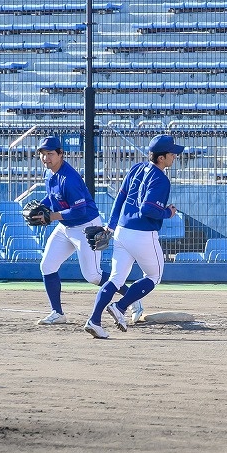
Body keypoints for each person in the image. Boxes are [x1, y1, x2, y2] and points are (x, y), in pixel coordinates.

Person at [32, 136, 142, 326]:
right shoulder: (49, 173)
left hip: (86, 227)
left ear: (60, 154)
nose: (46, 158)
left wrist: (51, 216)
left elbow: (79, 211)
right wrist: (40, 208)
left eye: (50, 153)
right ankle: (57, 313)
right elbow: (52, 197)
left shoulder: (70, 179)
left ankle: (132, 298)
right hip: (65, 226)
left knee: (93, 275)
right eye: (43, 154)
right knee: (47, 266)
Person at [84, 134, 184, 339]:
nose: (175, 156)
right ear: (161, 158)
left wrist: (111, 226)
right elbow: (147, 209)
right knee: (153, 276)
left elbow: (120, 197)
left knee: (115, 278)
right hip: (142, 234)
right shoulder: (161, 179)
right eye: (172, 153)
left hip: (122, 230)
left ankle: (94, 320)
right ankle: (120, 307)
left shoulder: (137, 168)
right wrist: (168, 212)